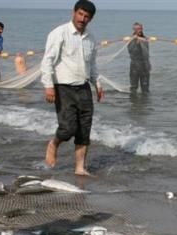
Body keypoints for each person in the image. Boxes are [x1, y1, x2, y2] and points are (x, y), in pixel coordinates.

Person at [41, 0, 103, 176]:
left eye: (87, 17)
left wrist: (97, 83)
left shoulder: (91, 38)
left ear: (90, 19)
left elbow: (92, 64)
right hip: (63, 87)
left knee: (84, 129)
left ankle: (80, 168)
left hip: (83, 87)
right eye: (80, 14)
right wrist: (48, 86)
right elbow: (47, 61)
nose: (82, 19)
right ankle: (53, 143)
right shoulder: (59, 33)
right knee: (68, 128)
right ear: (73, 12)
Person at [128, 22, 150, 94]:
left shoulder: (145, 39)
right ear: (134, 30)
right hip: (135, 66)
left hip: (145, 66)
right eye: (137, 29)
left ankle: (145, 104)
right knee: (133, 87)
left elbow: (146, 53)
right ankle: (134, 104)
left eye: (140, 28)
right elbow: (130, 51)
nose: (139, 30)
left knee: (145, 88)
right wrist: (135, 42)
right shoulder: (131, 39)